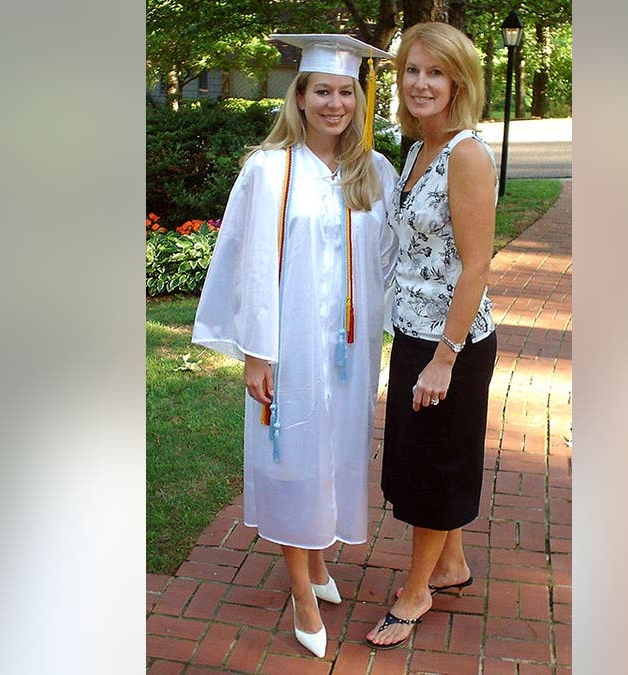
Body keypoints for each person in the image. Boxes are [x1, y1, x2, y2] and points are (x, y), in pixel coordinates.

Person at [192, 33, 397, 659]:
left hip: (352, 349)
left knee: (333, 455)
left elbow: (389, 261)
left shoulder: (376, 171)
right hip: (291, 345)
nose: (335, 103)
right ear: (300, 97)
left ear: (357, 100)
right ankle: (302, 593)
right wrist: (258, 351)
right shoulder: (268, 169)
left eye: (346, 92)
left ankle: (314, 564)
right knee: (290, 458)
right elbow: (249, 263)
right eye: (322, 91)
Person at [364, 22, 499, 650]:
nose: (421, 83)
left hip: (455, 343)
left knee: (429, 466)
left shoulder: (465, 153)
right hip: (416, 333)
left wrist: (445, 357)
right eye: (412, 70)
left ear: (459, 83)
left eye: (435, 73)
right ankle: (451, 566)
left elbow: (476, 265)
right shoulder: (417, 146)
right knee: (427, 456)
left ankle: (415, 592)